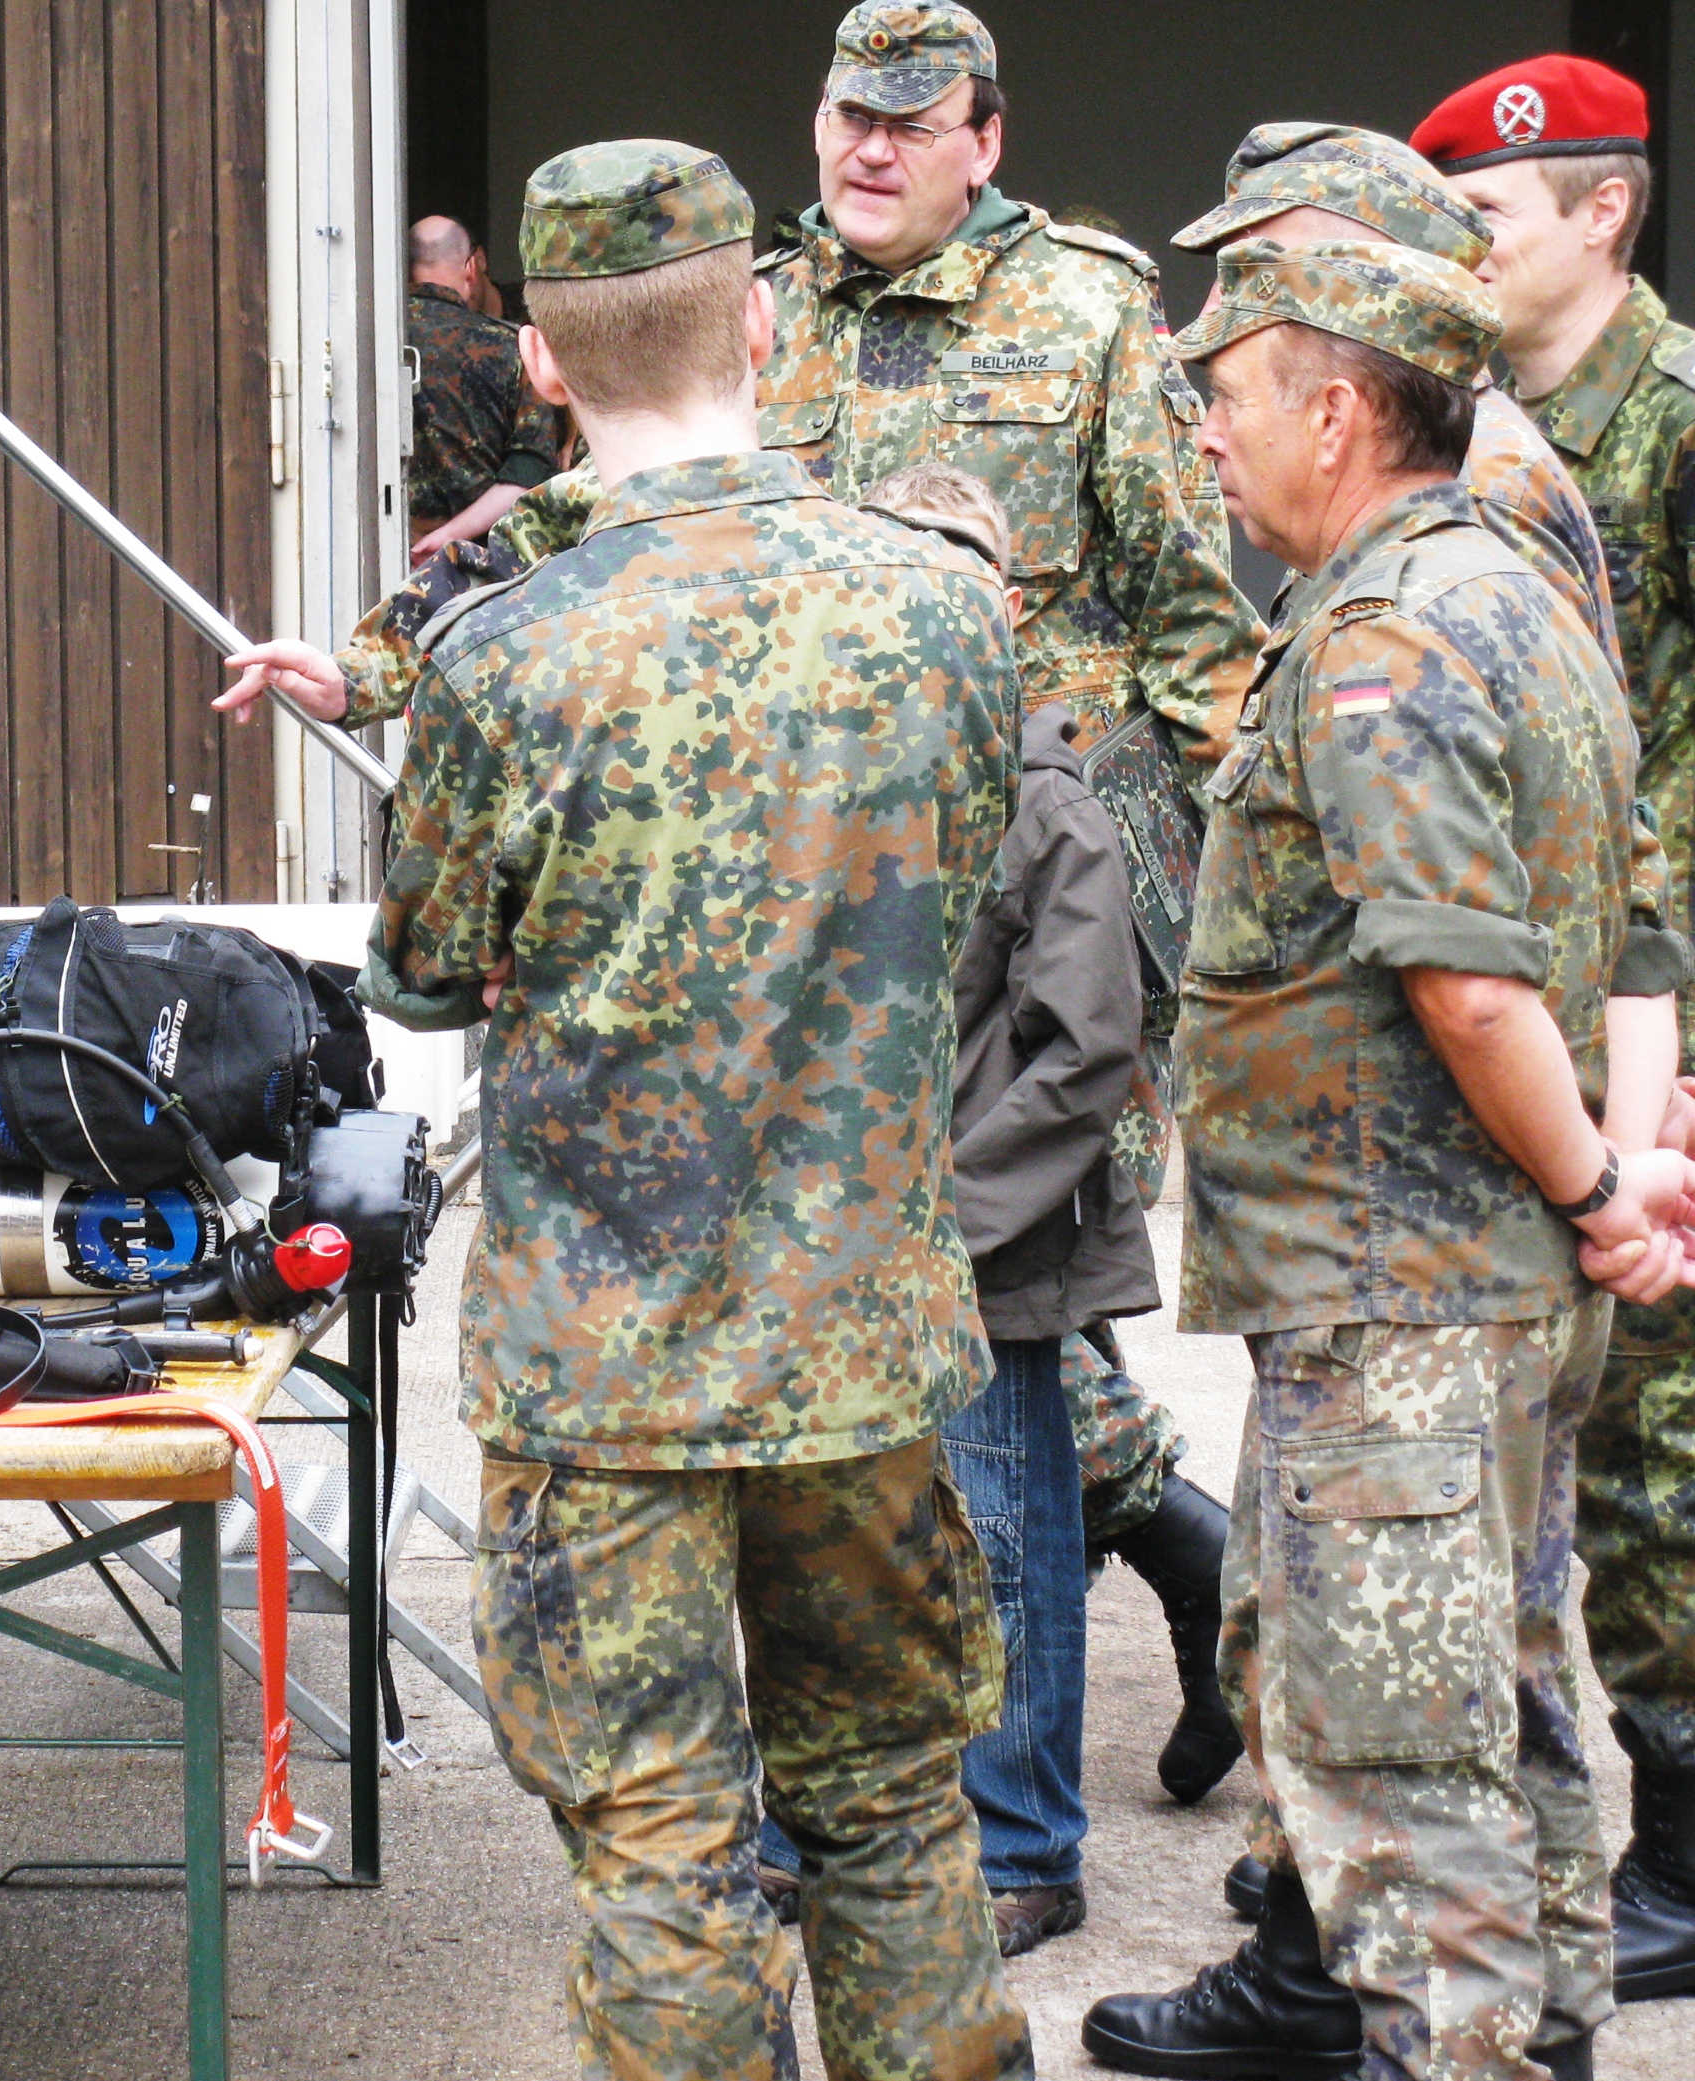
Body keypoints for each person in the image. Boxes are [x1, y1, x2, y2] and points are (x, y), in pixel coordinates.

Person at [215, 0, 1265, 1819]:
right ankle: (1162, 1558)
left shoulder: (1088, 314)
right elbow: (589, 509)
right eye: (850, 116)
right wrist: (374, 664)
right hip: (798, 895)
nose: (869, 147)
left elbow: (1194, 632)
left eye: (912, 122)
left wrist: (1171, 919)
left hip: (1025, 890)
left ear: (985, 140)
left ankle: (1007, 1791)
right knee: (916, 1297)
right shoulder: (758, 303)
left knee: (999, 1303)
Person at [367, 135, 1031, 2081]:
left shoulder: (503, 653)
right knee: (894, 1807)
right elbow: (962, 887)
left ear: (541, 365)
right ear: (760, 319)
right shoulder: (943, 610)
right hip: (860, 1342)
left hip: (608, 1371)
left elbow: (422, 969)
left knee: (660, 1845)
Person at [1077, 234, 1695, 2081]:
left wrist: (1600, 1188)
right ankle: (1537, 2060)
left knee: (1403, 1757)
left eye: (1227, 396)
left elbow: (1468, 983)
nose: (1204, 433)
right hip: (1469, 1283)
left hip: (1407, 1282)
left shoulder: (1387, 636)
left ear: (1337, 415)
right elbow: (1633, 919)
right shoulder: (1515, 587)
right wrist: (1614, 1174)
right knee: (1499, 1707)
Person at [1415, 52, 1695, 2007]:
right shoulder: (1490, 426)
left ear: (1602, 212)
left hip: (1660, 995)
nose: (1460, 252)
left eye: (1486, 217)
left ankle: (1677, 1843)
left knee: (1660, 1446)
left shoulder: (1670, 427)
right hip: (1552, 982)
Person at [860, 461, 1162, 1958]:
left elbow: (1087, 1053)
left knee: (1004, 1549)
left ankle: (1023, 1845)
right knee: (840, 1555)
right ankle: (812, 1833)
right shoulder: (844, 786)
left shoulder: (1048, 809)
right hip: (845, 1251)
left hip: (983, 1256)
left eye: (953, 569)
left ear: (1003, 608)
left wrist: (943, 1221)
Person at [404, 215, 564, 558]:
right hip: (481, 566)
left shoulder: (366, 346)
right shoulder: (511, 348)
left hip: (370, 558)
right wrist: (447, 536)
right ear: (471, 268)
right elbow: (531, 471)